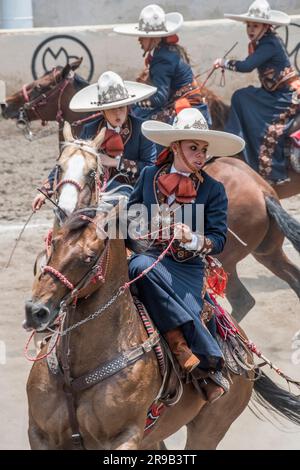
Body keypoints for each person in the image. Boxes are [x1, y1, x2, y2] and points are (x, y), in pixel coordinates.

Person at [127, 108, 244, 402]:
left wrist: (191, 238)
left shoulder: (214, 190)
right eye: (194, 148)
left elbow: (218, 241)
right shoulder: (149, 175)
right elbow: (129, 214)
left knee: (140, 267)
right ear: (175, 146)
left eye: (203, 150)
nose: (201, 155)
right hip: (152, 255)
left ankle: (198, 354)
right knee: (131, 268)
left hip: (187, 268)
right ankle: (177, 342)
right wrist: (142, 226)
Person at [32, 71, 157, 211]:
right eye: (112, 108)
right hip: (95, 190)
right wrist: (45, 189)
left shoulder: (141, 129)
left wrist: (116, 162)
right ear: (102, 111)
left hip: (133, 192)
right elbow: (70, 161)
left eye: (121, 107)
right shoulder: (90, 129)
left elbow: (149, 167)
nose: (118, 113)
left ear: (127, 107)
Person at [214, 0, 300, 185]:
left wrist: (224, 62)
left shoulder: (269, 43)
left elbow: (246, 66)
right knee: (241, 96)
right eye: (249, 25)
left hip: (286, 96)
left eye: (255, 25)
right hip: (272, 93)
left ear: (266, 26)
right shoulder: (262, 42)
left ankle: (273, 171)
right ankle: (236, 141)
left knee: (251, 109)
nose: (251, 29)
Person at [114, 4, 210, 125]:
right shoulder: (167, 50)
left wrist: (133, 100)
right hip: (185, 103)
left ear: (154, 38)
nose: (138, 39)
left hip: (186, 108)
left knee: (139, 123)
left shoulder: (162, 58)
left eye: (143, 36)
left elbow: (159, 98)